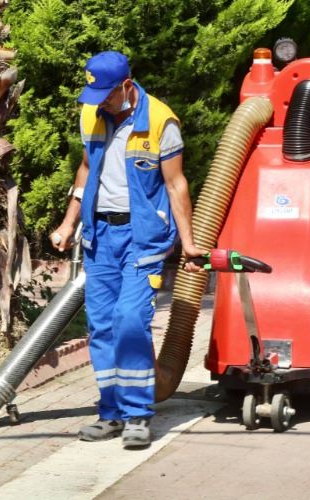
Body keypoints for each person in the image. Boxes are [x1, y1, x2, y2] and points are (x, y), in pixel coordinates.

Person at [50, 51, 205, 449]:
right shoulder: (92, 113)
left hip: (142, 238)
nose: (100, 102)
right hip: (99, 236)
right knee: (102, 325)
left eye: (107, 94)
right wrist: (69, 223)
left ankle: (137, 415)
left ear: (127, 86)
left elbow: (176, 184)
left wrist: (188, 243)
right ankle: (111, 413)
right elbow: (86, 169)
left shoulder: (161, 122)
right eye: (95, 95)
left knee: (131, 320)